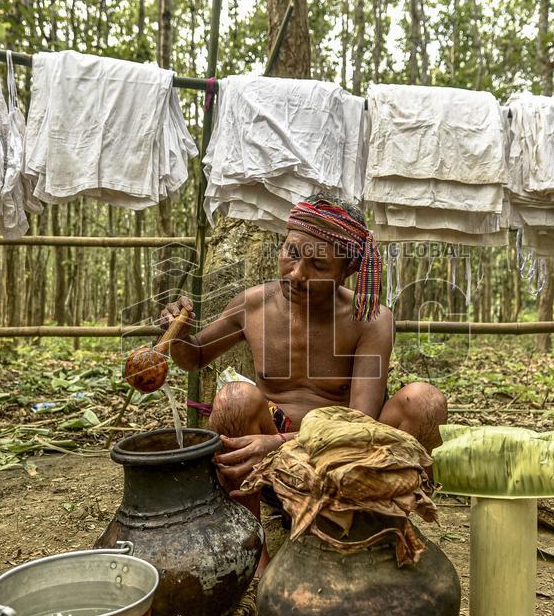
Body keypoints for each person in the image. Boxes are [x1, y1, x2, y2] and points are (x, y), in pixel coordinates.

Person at [158, 195, 447, 571]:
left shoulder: (370, 319)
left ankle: (385, 526)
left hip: (346, 456)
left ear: (346, 271)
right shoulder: (253, 305)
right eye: (292, 253)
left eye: (318, 265)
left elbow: (360, 421)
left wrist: (276, 443)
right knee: (233, 399)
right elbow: (194, 356)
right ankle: (252, 551)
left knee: (424, 401)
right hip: (265, 458)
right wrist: (176, 332)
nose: (296, 273)